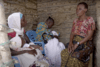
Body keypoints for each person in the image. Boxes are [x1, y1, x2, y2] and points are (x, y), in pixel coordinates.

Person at [61, 2, 95, 67]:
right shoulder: (75, 20)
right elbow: (72, 33)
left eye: (80, 9)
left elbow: (89, 36)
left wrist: (78, 44)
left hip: (85, 43)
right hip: (75, 41)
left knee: (74, 57)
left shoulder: (90, 19)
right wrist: (71, 43)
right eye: (76, 9)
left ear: (85, 10)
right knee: (64, 53)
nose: (77, 11)